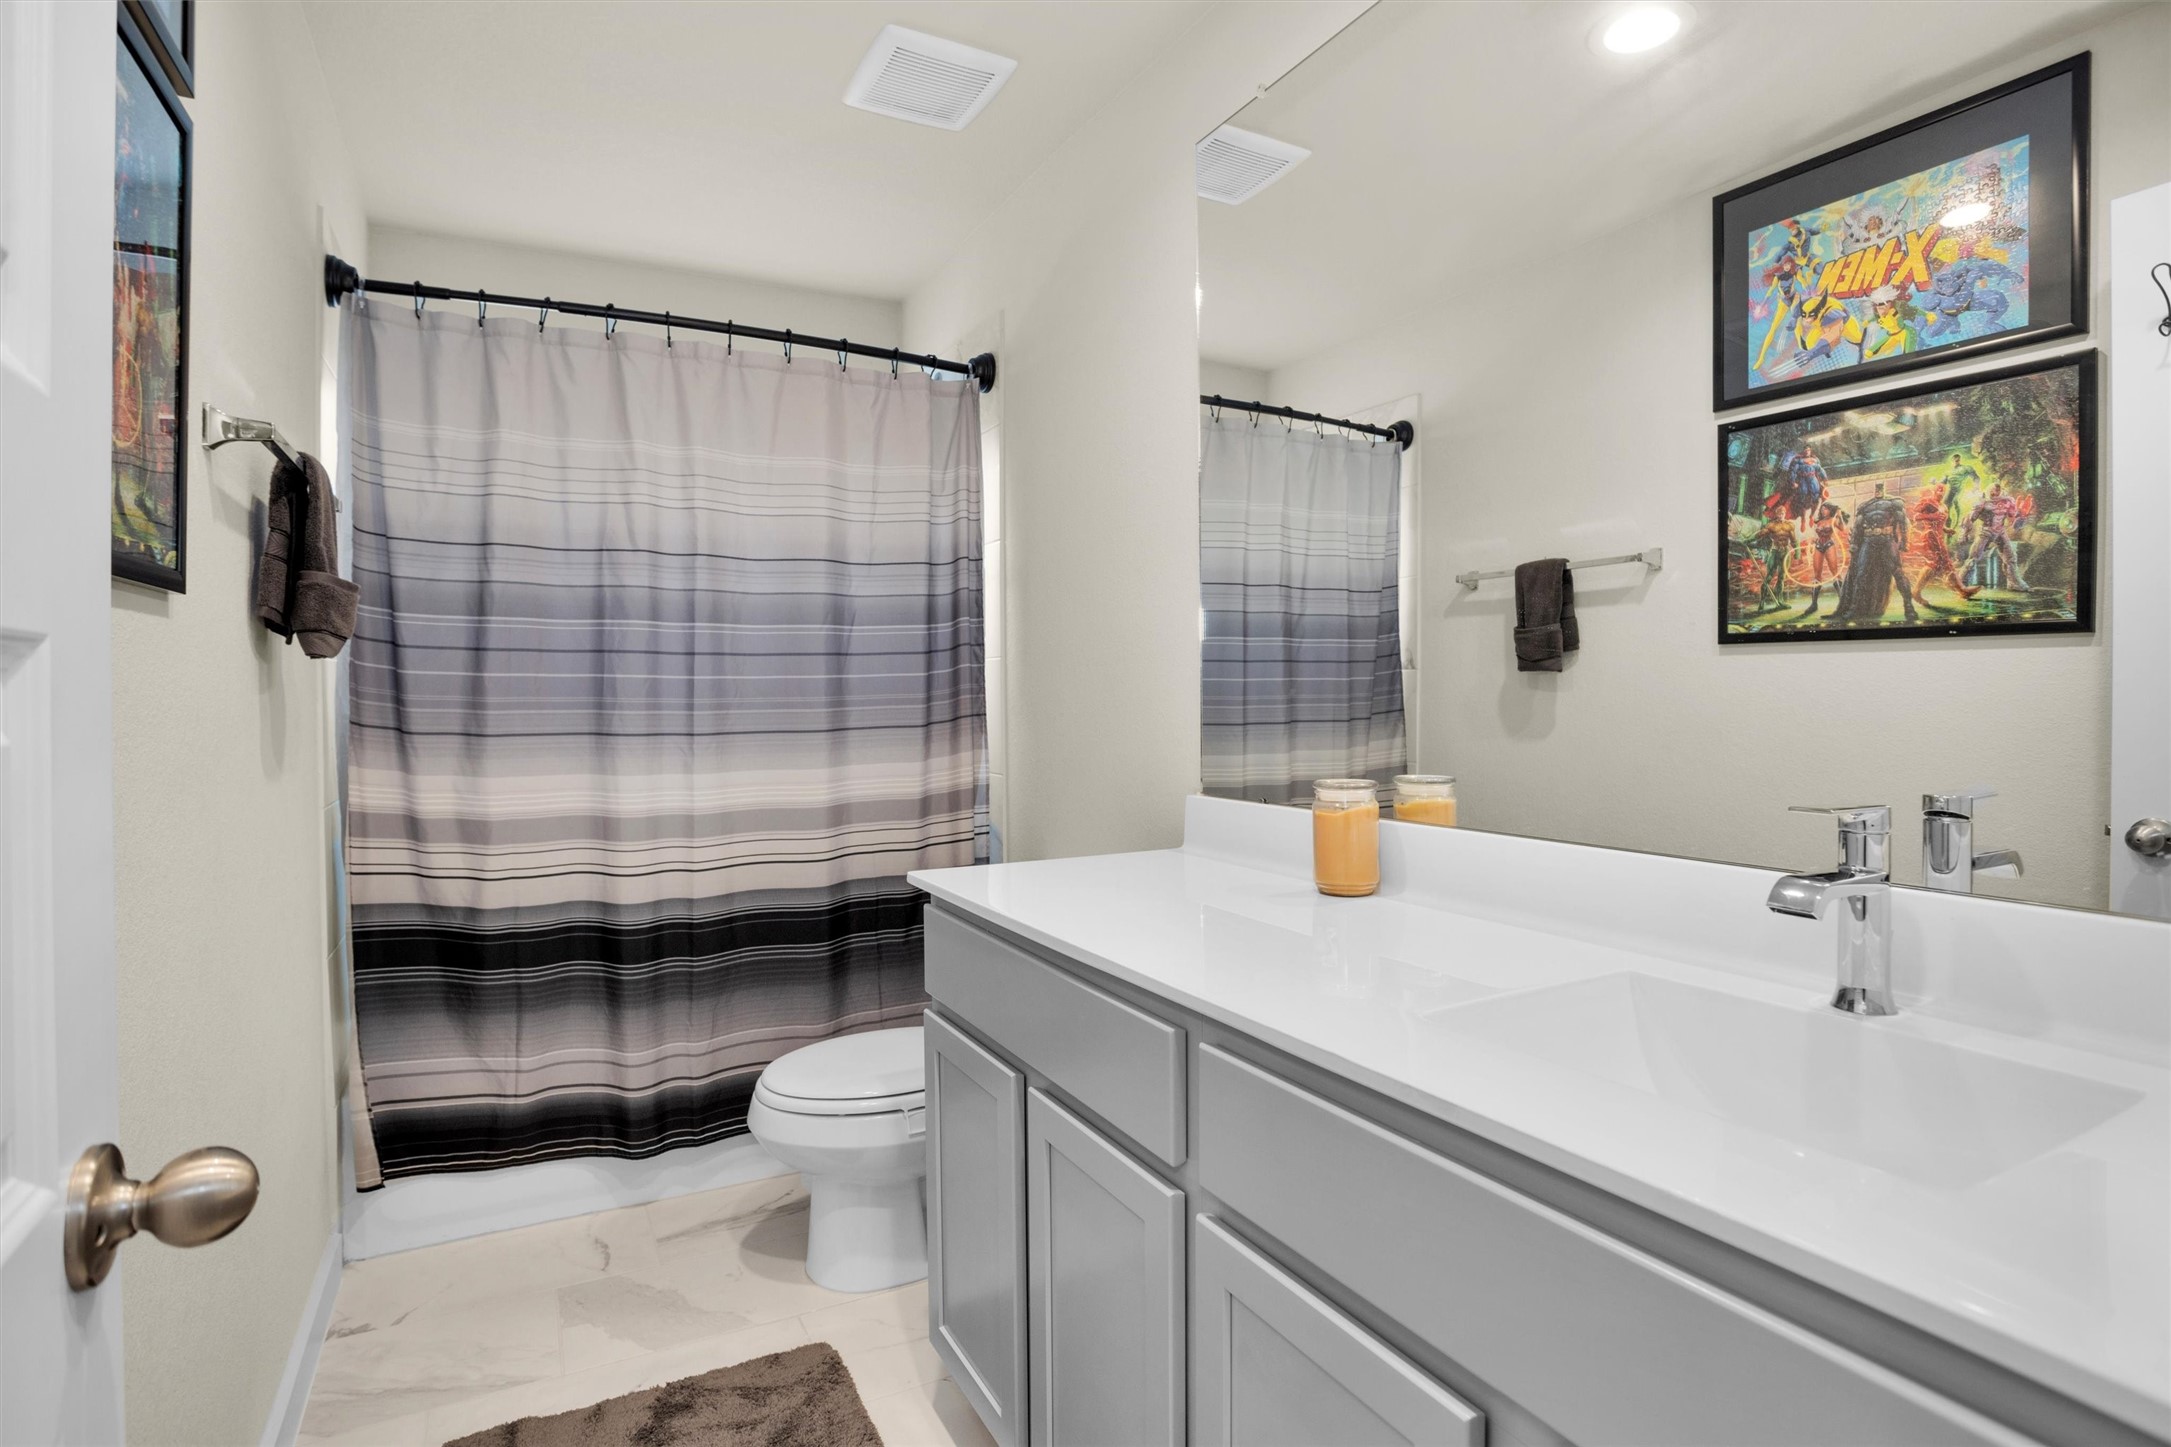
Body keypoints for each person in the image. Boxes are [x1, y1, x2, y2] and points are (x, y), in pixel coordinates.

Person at [1833, 481, 1918, 624]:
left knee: (1898, 573)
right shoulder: (1865, 506)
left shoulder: (1894, 503)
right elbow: (1858, 525)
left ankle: (1909, 607)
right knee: (1861, 574)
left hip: (1887, 540)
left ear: (1884, 489)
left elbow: (1903, 522)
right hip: (1868, 541)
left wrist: (1905, 541)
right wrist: (1854, 544)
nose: (1878, 490)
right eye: (1876, 488)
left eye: (1881, 487)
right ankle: (1854, 608)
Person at [1908, 489, 1978, 604]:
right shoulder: (1928, 502)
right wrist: (1932, 516)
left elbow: (1941, 523)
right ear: (1934, 491)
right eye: (1938, 490)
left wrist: (1946, 529)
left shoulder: (1943, 506)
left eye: (1943, 490)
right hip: (1930, 535)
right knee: (1934, 562)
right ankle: (1916, 592)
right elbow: (1916, 516)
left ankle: (1961, 590)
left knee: (1947, 562)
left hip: (1939, 536)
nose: (1940, 492)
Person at [1961, 481, 2030, 591]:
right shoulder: (1982, 502)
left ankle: (2014, 583)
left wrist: (2021, 516)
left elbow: (2013, 520)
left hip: (2000, 532)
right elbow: (1970, 518)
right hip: (1986, 531)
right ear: (1989, 490)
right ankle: (1961, 583)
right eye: (1994, 490)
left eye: (1998, 490)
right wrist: (1964, 533)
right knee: (1973, 557)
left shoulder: (2007, 501)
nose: (1996, 492)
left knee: (2010, 557)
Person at [1794, 499, 1848, 620]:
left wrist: (1839, 516)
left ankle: (1843, 603)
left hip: (1829, 544)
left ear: (1830, 510)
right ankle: (1813, 604)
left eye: (1826, 509)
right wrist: (1812, 539)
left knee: (1835, 573)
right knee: (1817, 575)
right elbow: (1814, 535)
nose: (1823, 511)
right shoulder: (1818, 522)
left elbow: (1843, 528)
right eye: (1822, 509)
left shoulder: (1833, 520)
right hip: (1819, 546)